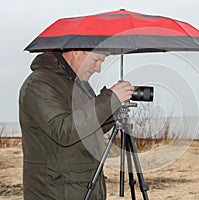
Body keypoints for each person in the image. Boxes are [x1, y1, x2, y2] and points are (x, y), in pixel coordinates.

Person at [19, 50, 134, 200]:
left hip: (85, 186)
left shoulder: (80, 85)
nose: (98, 69)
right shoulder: (39, 84)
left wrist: (113, 111)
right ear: (77, 52)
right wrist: (110, 99)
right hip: (55, 191)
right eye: (96, 60)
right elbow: (64, 130)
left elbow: (88, 128)